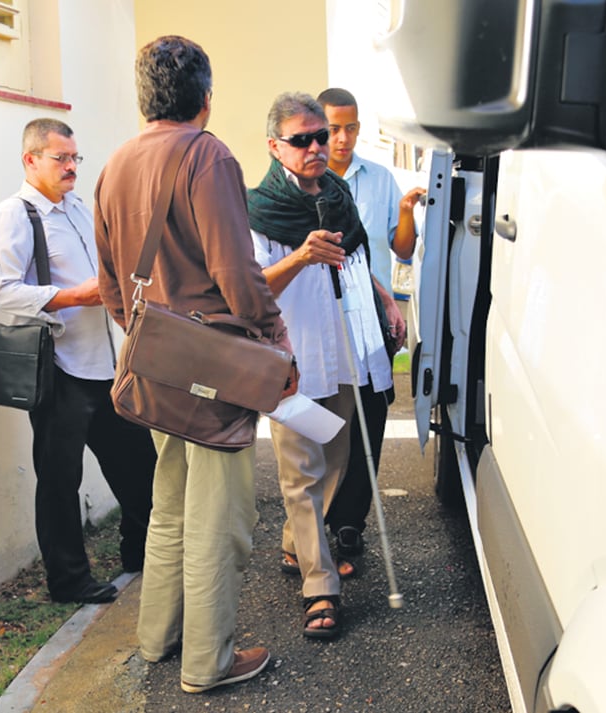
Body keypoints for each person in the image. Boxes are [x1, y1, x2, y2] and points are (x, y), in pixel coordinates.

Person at [94, 36, 295, 694]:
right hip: (213, 370)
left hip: (156, 361)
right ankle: (208, 661)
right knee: (221, 518)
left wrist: (153, 335)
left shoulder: (115, 164)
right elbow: (237, 271)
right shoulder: (206, 155)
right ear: (206, 97)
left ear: (143, 96)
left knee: (171, 504)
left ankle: (159, 636)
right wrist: (273, 337)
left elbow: (112, 287)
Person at [246, 92, 403, 639]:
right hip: (293, 357)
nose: (316, 147)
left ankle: (296, 544)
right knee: (300, 472)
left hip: (345, 350)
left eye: (320, 137)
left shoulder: (336, 195)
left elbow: (356, 257)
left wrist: (385, 299)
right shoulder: (259, 209)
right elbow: (250, 288)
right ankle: (320, 589)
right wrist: (300, 255)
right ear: (275, 147)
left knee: (335, 462)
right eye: (302, 140)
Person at [0, 118, 157, 605]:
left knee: (138, 464)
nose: (71, 167)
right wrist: (75, 295)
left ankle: (139, 551)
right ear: (31, 160)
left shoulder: (81, 208)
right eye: (60, 158)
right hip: (60, 368)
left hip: (108, 364)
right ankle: (68, 581)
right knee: (61, 480)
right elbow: (4, 292)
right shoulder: (15, 215)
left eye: (75, 157)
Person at [316, 88, 425, 567]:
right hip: (321, 321)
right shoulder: (304, 180)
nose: (342, 138)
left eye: (351, 127)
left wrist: (404, 214)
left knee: (370, 421)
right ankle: (313, 523)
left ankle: (350, 524)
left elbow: (401, 251)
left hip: (374, 322)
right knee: (323, 422)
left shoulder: (378, 178)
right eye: (333, 128)